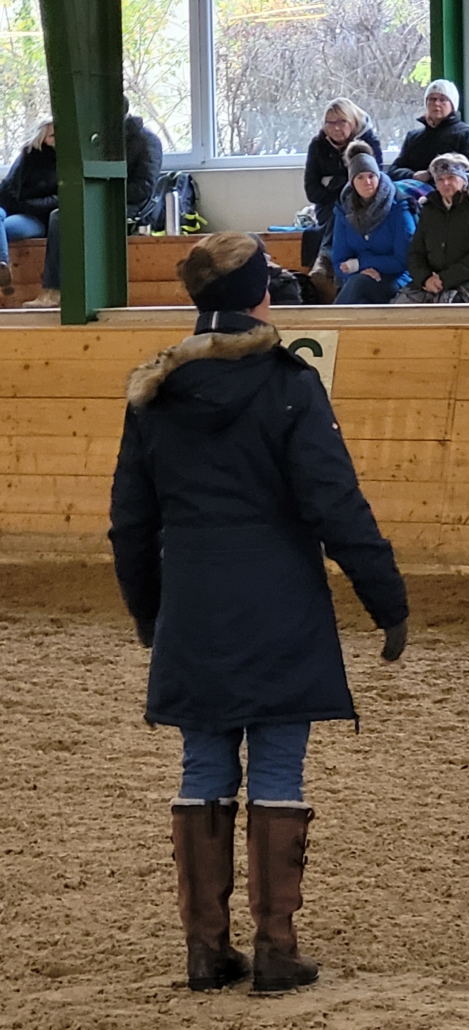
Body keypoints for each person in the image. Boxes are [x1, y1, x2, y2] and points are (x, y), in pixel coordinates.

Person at [108, 231, 409, 994]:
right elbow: (333, 501)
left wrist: (148, 611)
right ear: (258, 298)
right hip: (280, 599)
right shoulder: (288, 381)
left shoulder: (153, 393)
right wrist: (385, 599)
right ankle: (276, 948)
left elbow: (130, 523)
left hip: (195, 602)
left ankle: (204, 949)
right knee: (278, 763)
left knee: (203, 763)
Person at [23, 101, 162, 309]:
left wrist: (98, 196)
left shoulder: (146, 141)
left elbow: (142, 189)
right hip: (100, 201)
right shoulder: (100, 140)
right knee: (59, 215)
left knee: (62, 217)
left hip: (131, 206)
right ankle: (55, 290)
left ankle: (57, 290)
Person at [393, 153, 469, 304]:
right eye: (440, 179)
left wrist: (444, 279)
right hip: (432, 283)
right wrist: (425, 279)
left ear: (463, 179)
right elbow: (416, 253)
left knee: (450, 307)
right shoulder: (429, 209)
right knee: (400, 308)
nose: (445, 183)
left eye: (451, 178)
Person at [304, 98, 382, 301]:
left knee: (344, 211)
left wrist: (332, 182)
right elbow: (312, 191)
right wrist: (345, 186)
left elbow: (374, 182)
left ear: (353, 122)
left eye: (341, 122)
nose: (335, 128)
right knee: (339, 210)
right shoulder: (317, 146)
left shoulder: (368, 143)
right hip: (328, 208)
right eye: (330, 123)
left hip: (363, 205)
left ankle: (325, 259)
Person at [332, 141, 416, 304]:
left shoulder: (399, 207)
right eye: (360, 177)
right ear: (352, 181)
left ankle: (326, 325)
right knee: (360, 300)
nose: (367, 182)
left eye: (371, 176)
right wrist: (359, 271)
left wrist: (360, 264)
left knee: (359, 285)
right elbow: (339, 262)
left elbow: (403, 260)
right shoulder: (344, 210)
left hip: (397, 280)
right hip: (359, 279)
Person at [0, 116, 57, 295]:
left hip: (38, 218)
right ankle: (2, 267)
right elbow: (7, 190)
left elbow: (57, 200)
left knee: (5, 228)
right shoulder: (28, 157)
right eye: (53, 136)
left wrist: (26, 205)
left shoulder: (67, 163)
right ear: (42, 138)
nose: (58, 139)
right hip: (15, 211)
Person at [389, 79, 469, 183]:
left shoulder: (467, 134)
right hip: (414, 192)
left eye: (442, 99)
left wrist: (434, 175)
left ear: (453, 105)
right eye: (432, 99)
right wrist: (412, 176)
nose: (436, 103)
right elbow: (394, 171)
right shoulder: (413, 137)